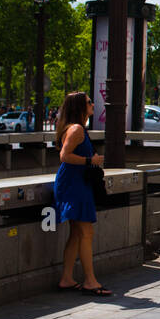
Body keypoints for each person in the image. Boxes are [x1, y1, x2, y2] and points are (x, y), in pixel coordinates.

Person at [53, 92, 111, 296]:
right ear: (80, 107)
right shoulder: (76, 129)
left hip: (75, 182)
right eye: (89, 102)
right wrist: (90, 161)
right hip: (74, 184)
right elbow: (64, 156)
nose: (93, 104)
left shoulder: (76, 128)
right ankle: (90, 281)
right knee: (86, 233)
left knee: (77, 233)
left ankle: (67, 278)